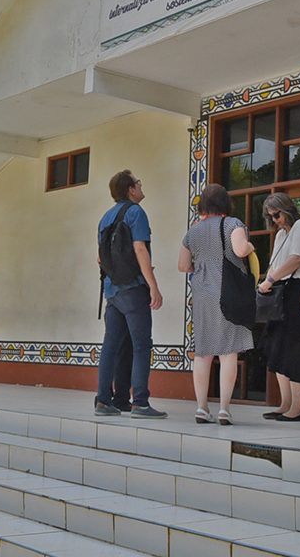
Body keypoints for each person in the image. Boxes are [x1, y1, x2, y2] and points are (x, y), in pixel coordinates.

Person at [178, 183, 255, 425]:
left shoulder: (193, 231)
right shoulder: (232, 224)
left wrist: (200, 268)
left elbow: (182, 265)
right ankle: (224, 409)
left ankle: (201, 408)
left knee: (203, 353)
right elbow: (241, 249)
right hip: (228, 294)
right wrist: (251, 246)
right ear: (225, 203)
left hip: (201, 296)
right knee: (228, 352)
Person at [95, 170, 167, 419]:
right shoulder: (136, 213)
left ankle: (104, 401)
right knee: (141, 345)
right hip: (133, 289)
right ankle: (141, 403)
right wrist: (153, 285)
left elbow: (100, 257)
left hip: (112, 291)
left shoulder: (105, 217)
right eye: (138, 182)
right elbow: (139, 248)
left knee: (110, 345)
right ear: (130, 190)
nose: (140, 184)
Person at [256, 193, 300, 422]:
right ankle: (286, 403)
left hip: (298, 288)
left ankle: (298, 407)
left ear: (287, 209)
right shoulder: (282, 234)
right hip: (280, 290)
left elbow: (296, 259)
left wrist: (270, 280)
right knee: (277, 345)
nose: (275, 220)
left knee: (296, 345)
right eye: (271, 217)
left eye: (277, 215)